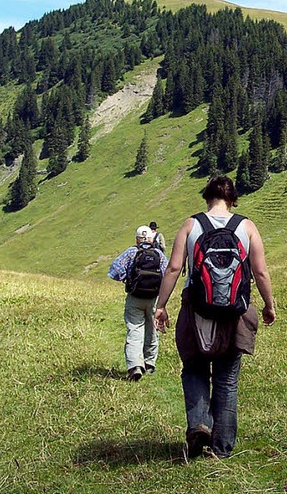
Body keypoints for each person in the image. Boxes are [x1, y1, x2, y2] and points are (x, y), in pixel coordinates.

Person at [154, 175, 276, 459]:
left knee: (194, 367)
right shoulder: (246, 226)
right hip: (236, 311)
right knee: (227, 378)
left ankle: (199, 423)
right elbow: (260, 272)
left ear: (206, 197)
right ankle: (222, 449)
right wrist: (269, 304)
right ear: (233, 199)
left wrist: (161, 305)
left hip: (197, 308)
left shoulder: (191, 225)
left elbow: (173, 268)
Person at [108, 225, 168, 380]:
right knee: (152, 329)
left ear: (137, 239)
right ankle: (149, 363)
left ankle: (135, 366)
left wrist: (126, 279)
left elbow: (114, 270)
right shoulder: (158, 254)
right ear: (151, 238)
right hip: (154, 299)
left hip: (135, 298)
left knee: (135, 330)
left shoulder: (131, 252)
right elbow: (167, 272)